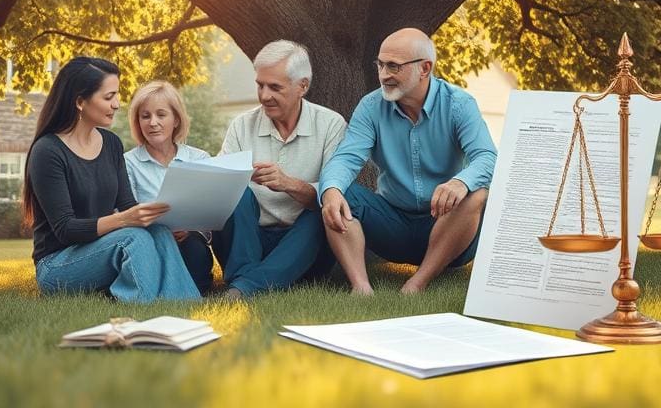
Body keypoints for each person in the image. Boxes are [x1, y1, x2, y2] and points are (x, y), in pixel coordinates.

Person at [319, 28, 497, 295]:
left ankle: (417, 284)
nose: (383, 75)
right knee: (338, 193)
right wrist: (331, 190)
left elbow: (488, 157)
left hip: (449, 230)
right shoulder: (370, 107)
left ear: (425, 68)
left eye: (393, 66)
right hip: (393, 227)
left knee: (476, 193)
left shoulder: (459, 105)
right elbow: (345, 158)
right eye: (380, 65)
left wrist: (460, 182)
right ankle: (361, 287)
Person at [22, 56, 199, 302]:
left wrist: (163, 218)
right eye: (108, 97)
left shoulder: (111, 144)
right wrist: (123, 220)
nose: (117, 104)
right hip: (58, 264)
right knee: (132, 237)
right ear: (80, 102)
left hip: (101, 248)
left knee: (159, 231)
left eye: (117, 95)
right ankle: (142, 308)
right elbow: (65, 229)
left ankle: (184, 305)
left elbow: (127, 204)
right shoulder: (48, 151)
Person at [214, 40, 346, 298]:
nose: (264, 95)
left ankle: (245, 286)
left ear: (303, 86)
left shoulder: (331, 125)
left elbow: (336, 195)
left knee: (322, 208)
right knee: (235, 191)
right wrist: (232, 178)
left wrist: (289, 184)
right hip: (250, 241)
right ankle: (251, 279)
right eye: (260, 85)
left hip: (303, 247)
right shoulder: (242, 125)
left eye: (275, 87)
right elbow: (218, 191)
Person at [123, 80, 214, 294]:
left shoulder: (199, 158)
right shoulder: (126, 163)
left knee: (195, 252)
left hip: (189, 242)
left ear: (176, 120)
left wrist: (192, 229)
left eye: (161, 115)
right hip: (150, 243)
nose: (153, 122)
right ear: (138, 122)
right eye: (145, 116)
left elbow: (212, 213)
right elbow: (124, 214)